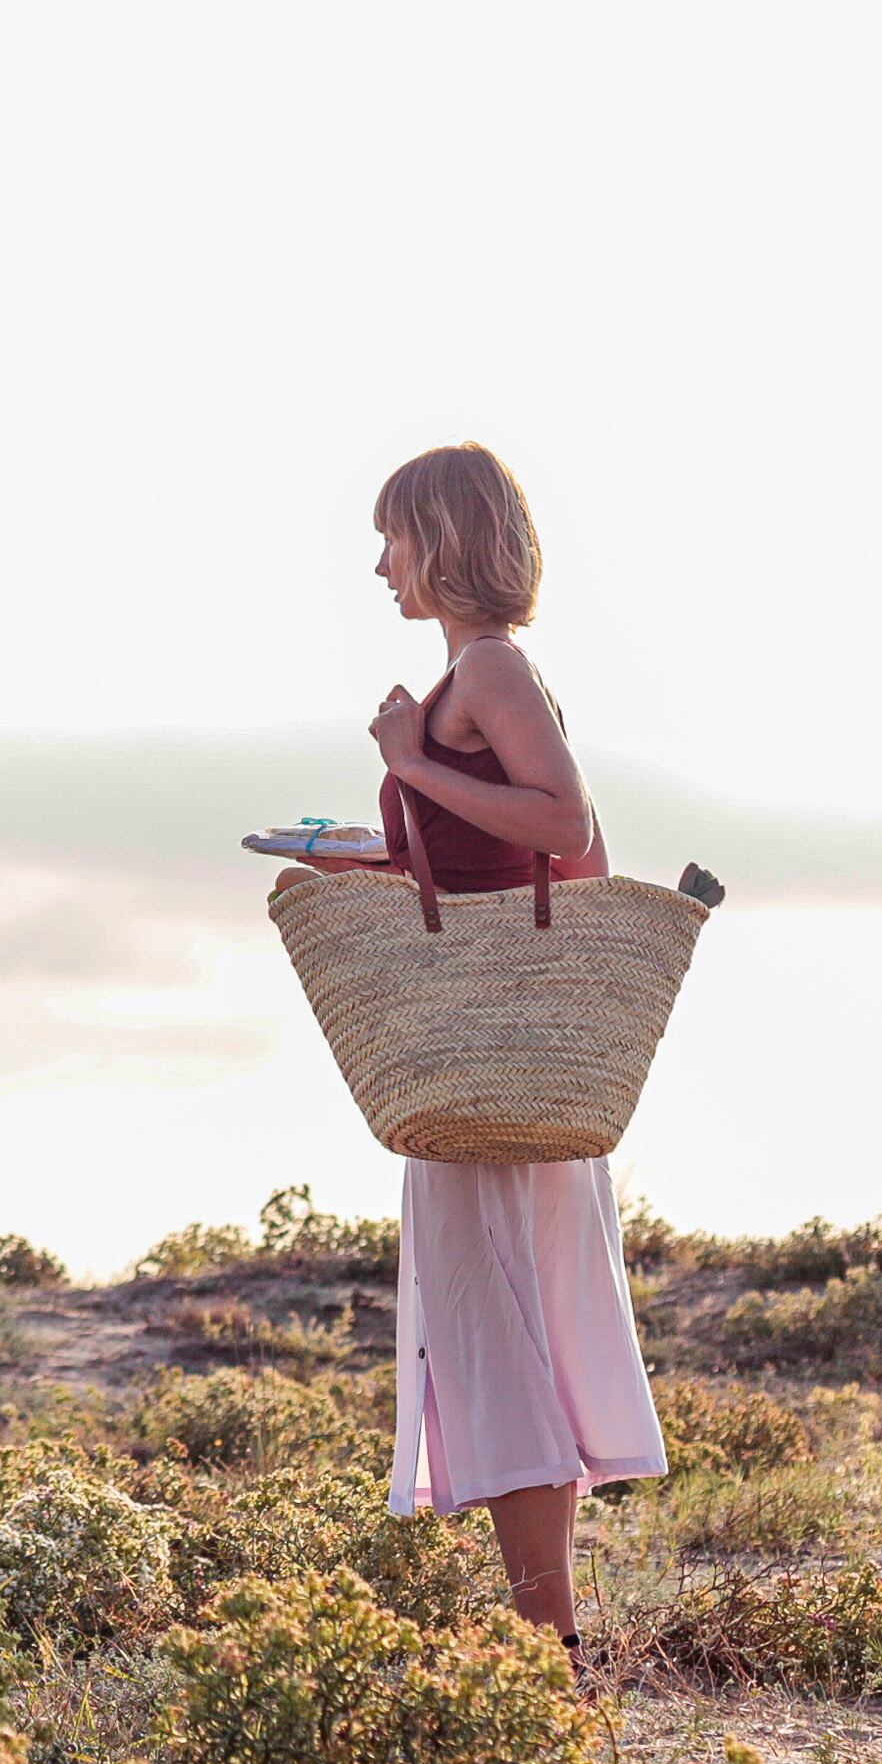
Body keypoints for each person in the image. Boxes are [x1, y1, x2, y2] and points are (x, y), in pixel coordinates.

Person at [274, 443, 665, 1644]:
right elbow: (533, 861)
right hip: (492, 1052)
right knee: (496, 1342)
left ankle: (544, 1650)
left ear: (441, 542)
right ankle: (543, 1644)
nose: (378, 562)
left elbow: (568, 830)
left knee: (496, 1345)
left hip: (492, 1055)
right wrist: (383, 848)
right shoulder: (466, 686)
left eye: (392, 536)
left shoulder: (490, 670)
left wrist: (406, 766)